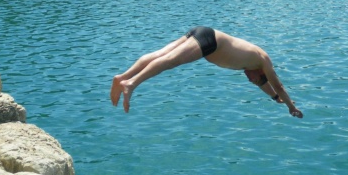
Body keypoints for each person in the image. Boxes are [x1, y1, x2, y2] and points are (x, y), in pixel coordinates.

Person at [110, 27, 304, 118]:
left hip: (203, 33)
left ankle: (123, 77)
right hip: (210, 40)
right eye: (254, 80)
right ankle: (131, 83)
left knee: (159, 54)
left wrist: (274, 98)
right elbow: (276, 84)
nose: (249, 79)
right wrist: (290, 106)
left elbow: (266, 86)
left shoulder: (252, 65)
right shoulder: (264, 61)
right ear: (260, 73)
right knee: (170, 60)